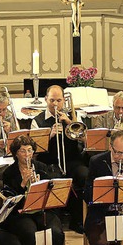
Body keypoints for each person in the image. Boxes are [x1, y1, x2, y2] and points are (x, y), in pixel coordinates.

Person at [0, 135, 66, 245]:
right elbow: (9, 199)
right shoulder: (9, 173)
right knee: (29, 234)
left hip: (42, 210)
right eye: (22, 151)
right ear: (16, 154)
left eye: (29, 150)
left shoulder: (41, 167)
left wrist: (39, 185)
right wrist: (23, 184)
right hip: (21, 213)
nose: (27, 154)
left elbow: (51, 191)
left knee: (57, 233)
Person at [31, 85, 87, 233]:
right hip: (49, 162)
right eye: (52, 100)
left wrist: (69, 123)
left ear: (64, 101)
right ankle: (56, 220)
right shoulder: (37, 121)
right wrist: (49, 135)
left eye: (59, 100)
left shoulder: (74, 117)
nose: (55, 104)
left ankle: (78, 220)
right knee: (54, 178)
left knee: (84, 175)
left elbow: (86, 140)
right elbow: (33, 151)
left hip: (72, 160)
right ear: (45, 100)